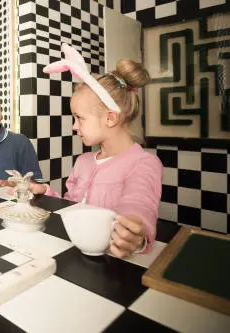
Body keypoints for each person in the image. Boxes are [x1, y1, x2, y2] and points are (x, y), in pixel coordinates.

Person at [33, 44, 162, 258]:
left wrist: (134, 229)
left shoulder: (144, 164)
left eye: (79, 118)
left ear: (110, 118)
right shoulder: (83, 162)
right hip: (75, 257)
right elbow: (73, 208)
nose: (74, 126)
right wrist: (46, 193)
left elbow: (139, 202)